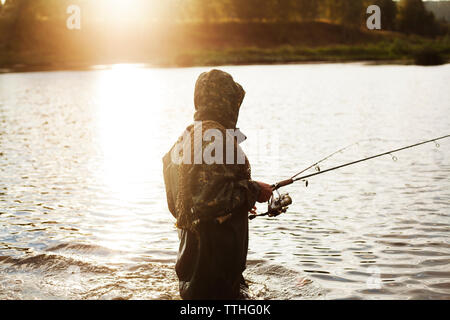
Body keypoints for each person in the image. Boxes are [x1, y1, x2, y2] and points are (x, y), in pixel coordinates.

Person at [162, 69, 272, 300]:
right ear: (228, 101)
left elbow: (180, 205)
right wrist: (253, 191)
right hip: (214, 277)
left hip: (190, 272)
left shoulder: (183, 141)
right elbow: (209, 201)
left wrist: (242, 196)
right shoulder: (217, 138)